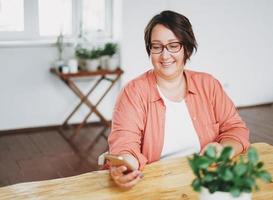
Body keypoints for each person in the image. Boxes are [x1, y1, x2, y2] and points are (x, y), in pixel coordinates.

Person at [107, 10, 249, 189]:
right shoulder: (133, 92)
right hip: (155, 186)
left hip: (209, 178)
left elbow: (235, 129)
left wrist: (223, 150)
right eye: (156, 46)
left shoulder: (209, 84)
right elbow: (124, 144)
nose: (165, 56)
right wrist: (124, 166)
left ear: (187, 48)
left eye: (173, 45)